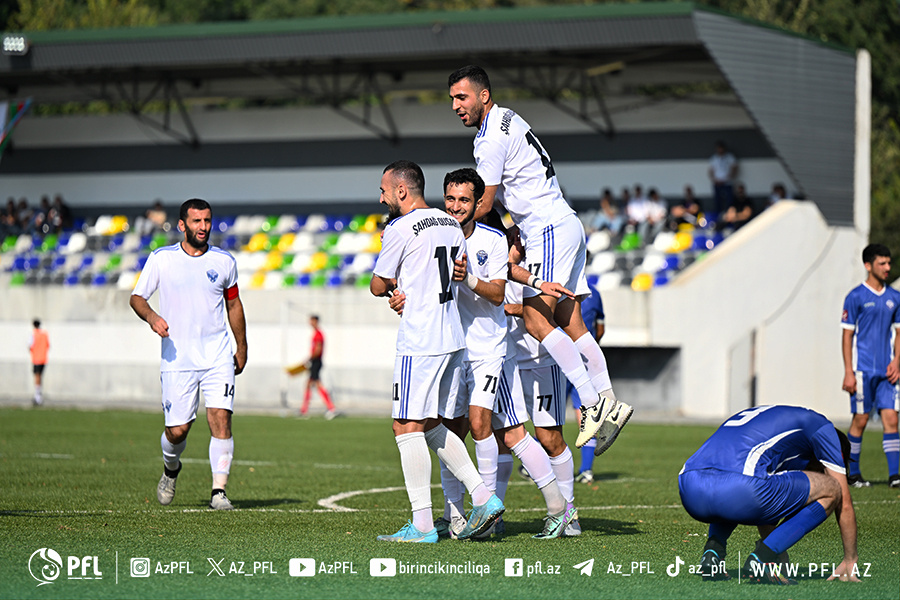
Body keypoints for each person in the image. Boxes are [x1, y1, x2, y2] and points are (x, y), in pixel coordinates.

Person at [448, 65, 631, 456]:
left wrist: (446, 228)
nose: (455, 106)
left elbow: (482, 202)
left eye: (461, 97)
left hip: (546, 226)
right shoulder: (508, 118)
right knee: (571, 320)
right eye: (451, 99)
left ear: (483, 95)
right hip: (565, 222)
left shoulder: (489, 139)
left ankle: (590, 402)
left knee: (535, 319)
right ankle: (609, 400)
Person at [370, 160, 504, 542]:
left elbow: (379, 284)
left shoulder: (399, 227)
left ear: (401, 190)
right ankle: (483, 497)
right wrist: (406, 293)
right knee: (432, 425)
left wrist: (390, 291)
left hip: (421, 340)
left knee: (405, 426)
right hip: (453, 339)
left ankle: (424, 524)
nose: (380, 197)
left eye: (384, 190)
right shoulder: (449, 224)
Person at [130, 198, 248, 511]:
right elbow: (137, 298)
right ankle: (171, 469)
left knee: (220, 418)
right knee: (177, 430)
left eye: (207, 221)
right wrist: (153, 317)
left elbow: (234, 304)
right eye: (196, 222)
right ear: (182, 225)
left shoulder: (224, 262)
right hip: (177, 358)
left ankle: (218, 492)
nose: (203, 227)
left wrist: (242, 346)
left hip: (217, 355)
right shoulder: (162, 259)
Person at [679, 405, 860, 585]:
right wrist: (850, 559)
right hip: (740, 490)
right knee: (833, 489)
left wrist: (779, 552)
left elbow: (768, 508)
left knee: (732, 481)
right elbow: (843, 502)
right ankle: (762, 560)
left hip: (689, 487)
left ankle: (714, 552)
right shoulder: (821, 427)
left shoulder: (772, 422)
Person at [840, 243, 900, 488]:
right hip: (862, 370)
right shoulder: (855, 297)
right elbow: (846, 336)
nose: (887, 267)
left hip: (888, 371)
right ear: (868, 265)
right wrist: (848, 372)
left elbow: (899, 333)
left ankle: (895, 475)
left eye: (889, 263)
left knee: (892, 420)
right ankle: (853, 474)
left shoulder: (895, 298)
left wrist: (897, 361)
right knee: (861, 420)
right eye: (882, 263)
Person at [569, 282, 605, 483]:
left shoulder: (557, 286)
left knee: (548, 416)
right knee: (584, 414)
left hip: (560, 359)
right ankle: (586, 470)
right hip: (582, 361)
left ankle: (537, 469)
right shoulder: (595, 293)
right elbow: (600, 329)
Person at [300, 315, 337, 419]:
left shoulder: (318, 334)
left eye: (312, 321)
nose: (310, 323)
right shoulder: (316, 333)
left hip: (316, 362)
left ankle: (331, 408)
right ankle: (304, 410)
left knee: (317, 384)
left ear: (316, 321)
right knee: (309, 384)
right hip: (315, 362)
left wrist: (309, 359)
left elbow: (317, 350)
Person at [708, 140, 738, 217]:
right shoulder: (714, 158)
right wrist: (714, 180)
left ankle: (729, 217)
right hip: (717, 183)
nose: (720, 150)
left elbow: (734, 168)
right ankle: (718, 218)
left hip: (727, 183)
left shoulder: (730, 157)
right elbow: (711, 171)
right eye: (718, 148)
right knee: (717, 201)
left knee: (729, 201)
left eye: (721, 148)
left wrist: (728, 178)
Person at [29, 319, 49, 406]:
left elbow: (30, 346)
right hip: (43, 359)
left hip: (36, 359)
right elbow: (48, 345)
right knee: (40, 377)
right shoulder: (44, 334)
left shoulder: (34, 334)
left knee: (37, 377)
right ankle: (38, 396)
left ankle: (37, 397)